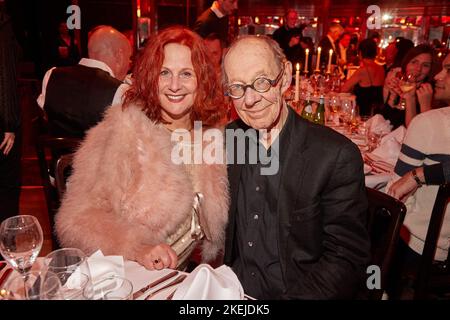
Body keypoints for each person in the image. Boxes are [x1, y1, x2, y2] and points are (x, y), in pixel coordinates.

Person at [55, 26, 229, 271]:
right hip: (129, 277)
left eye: (186, 74)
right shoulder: (124, 131)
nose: (175, 85)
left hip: (181, 278)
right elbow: (74, 221)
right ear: (151, 77)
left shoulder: (211, 134)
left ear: (202, 79)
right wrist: (137, 248)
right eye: (165, 73)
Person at [222, 35, 370, 299]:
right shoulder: (228, 140)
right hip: (231, 290)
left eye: (262, 82)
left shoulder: (335, 156)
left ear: (286, 77)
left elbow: (346, 258)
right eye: (237, 87)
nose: (250, 100)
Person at [385, 53, 450, 299]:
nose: (437, 76)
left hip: (421, 248)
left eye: (447, 70)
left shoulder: (430, 123)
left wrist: (418, 174)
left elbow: (394, 196)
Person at [37, 26, 132, 138]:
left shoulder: (51, 75)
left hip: (61, 155)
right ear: (119, 56)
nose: (129, 64)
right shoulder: (120, 91)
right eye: (129, 58)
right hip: (100, 155)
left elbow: (46, 118)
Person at [0, 1, 21, 221]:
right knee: (7, 190)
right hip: (2, 122)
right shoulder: (2, 19)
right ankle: (3, 250)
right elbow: (5, 71)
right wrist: (9, 124)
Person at [382, 44, 435, 129]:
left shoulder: (428, 94)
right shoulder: (398, 83)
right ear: (406, 63)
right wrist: (391, 94)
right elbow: (384, 120)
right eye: (414, 62)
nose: (418, 69)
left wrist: (411, 98)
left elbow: (417, 131)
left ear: (430, 70)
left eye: (425, 65)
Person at [341, 39, 385, 116]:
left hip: (363, 113)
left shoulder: (362, 71)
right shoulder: (381, 68)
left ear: (360, 53)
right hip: (377, 112)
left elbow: (344, 89)